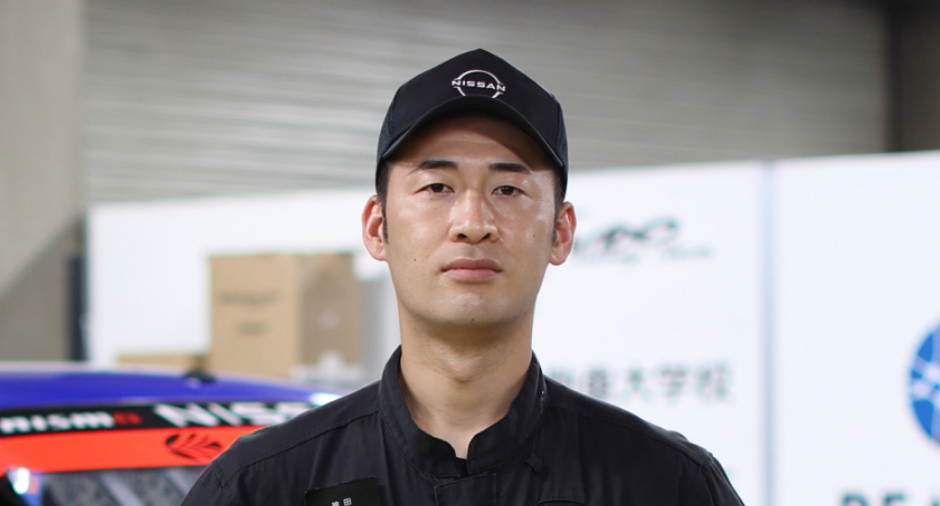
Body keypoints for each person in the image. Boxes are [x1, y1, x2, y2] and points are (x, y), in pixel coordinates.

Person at [182, 49, 745, 506]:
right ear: (378, 227)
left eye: (508, 189)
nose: (473, 223)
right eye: (437, 187)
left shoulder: (665, 484)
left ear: (560, 232)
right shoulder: (263, 486)